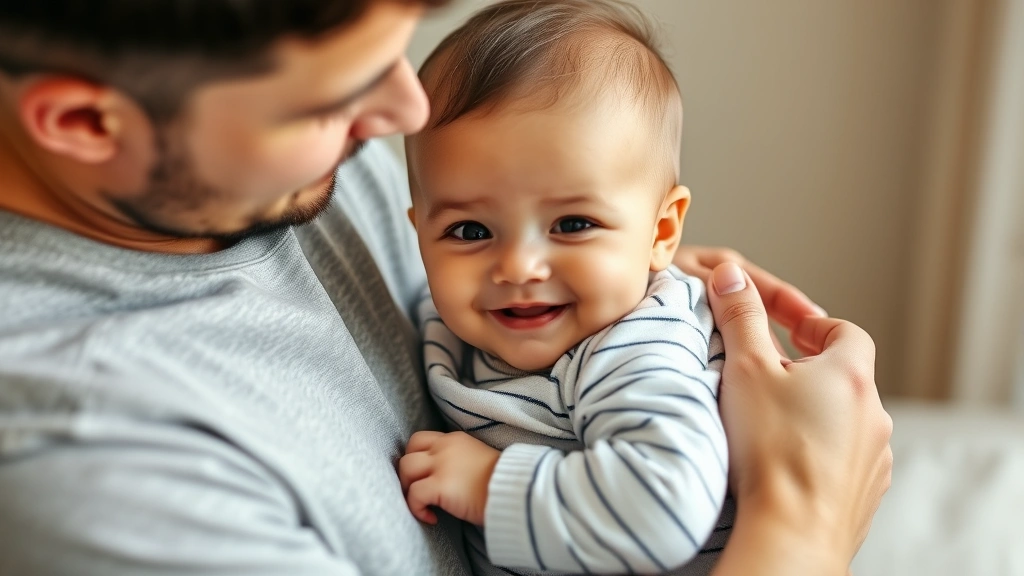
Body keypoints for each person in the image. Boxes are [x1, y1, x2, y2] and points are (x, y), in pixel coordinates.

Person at [0, 1, 892, 575]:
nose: (406, 115)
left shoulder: (284, 167)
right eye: (337, 97)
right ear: (84, 121)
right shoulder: (88, 458)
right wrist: (806, 516)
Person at [398, 2, 728, 573]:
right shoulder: (446, 321)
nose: (520, 267)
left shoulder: (631, 347)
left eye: (572, 225)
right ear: (420, 238)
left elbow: (665, 506)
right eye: (469, 231)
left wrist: (490, 482)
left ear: (662, 230)